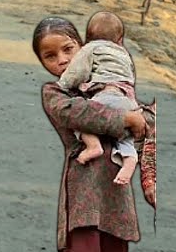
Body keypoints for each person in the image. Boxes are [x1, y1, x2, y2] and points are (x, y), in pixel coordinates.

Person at [36, 16, 150, 252]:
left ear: (84, 47)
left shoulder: (109, 83)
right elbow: (79, 113)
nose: (61, 61)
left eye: (68, 50)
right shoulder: (56, 93)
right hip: (83, 199)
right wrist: (127, 119)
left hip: (116, 198)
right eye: (50, 56)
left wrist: (134, 119)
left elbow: (145, 125)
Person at [56, 13, 140, 186]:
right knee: (125, 137)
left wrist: (62, 85)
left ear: (87, 38)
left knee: (81, 118)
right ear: (120, 40)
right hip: (128, 100)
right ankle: (129, 158)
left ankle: (93, 145)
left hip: (105, 96)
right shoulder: (124, 54)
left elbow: (77, 71)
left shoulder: (91, 48)